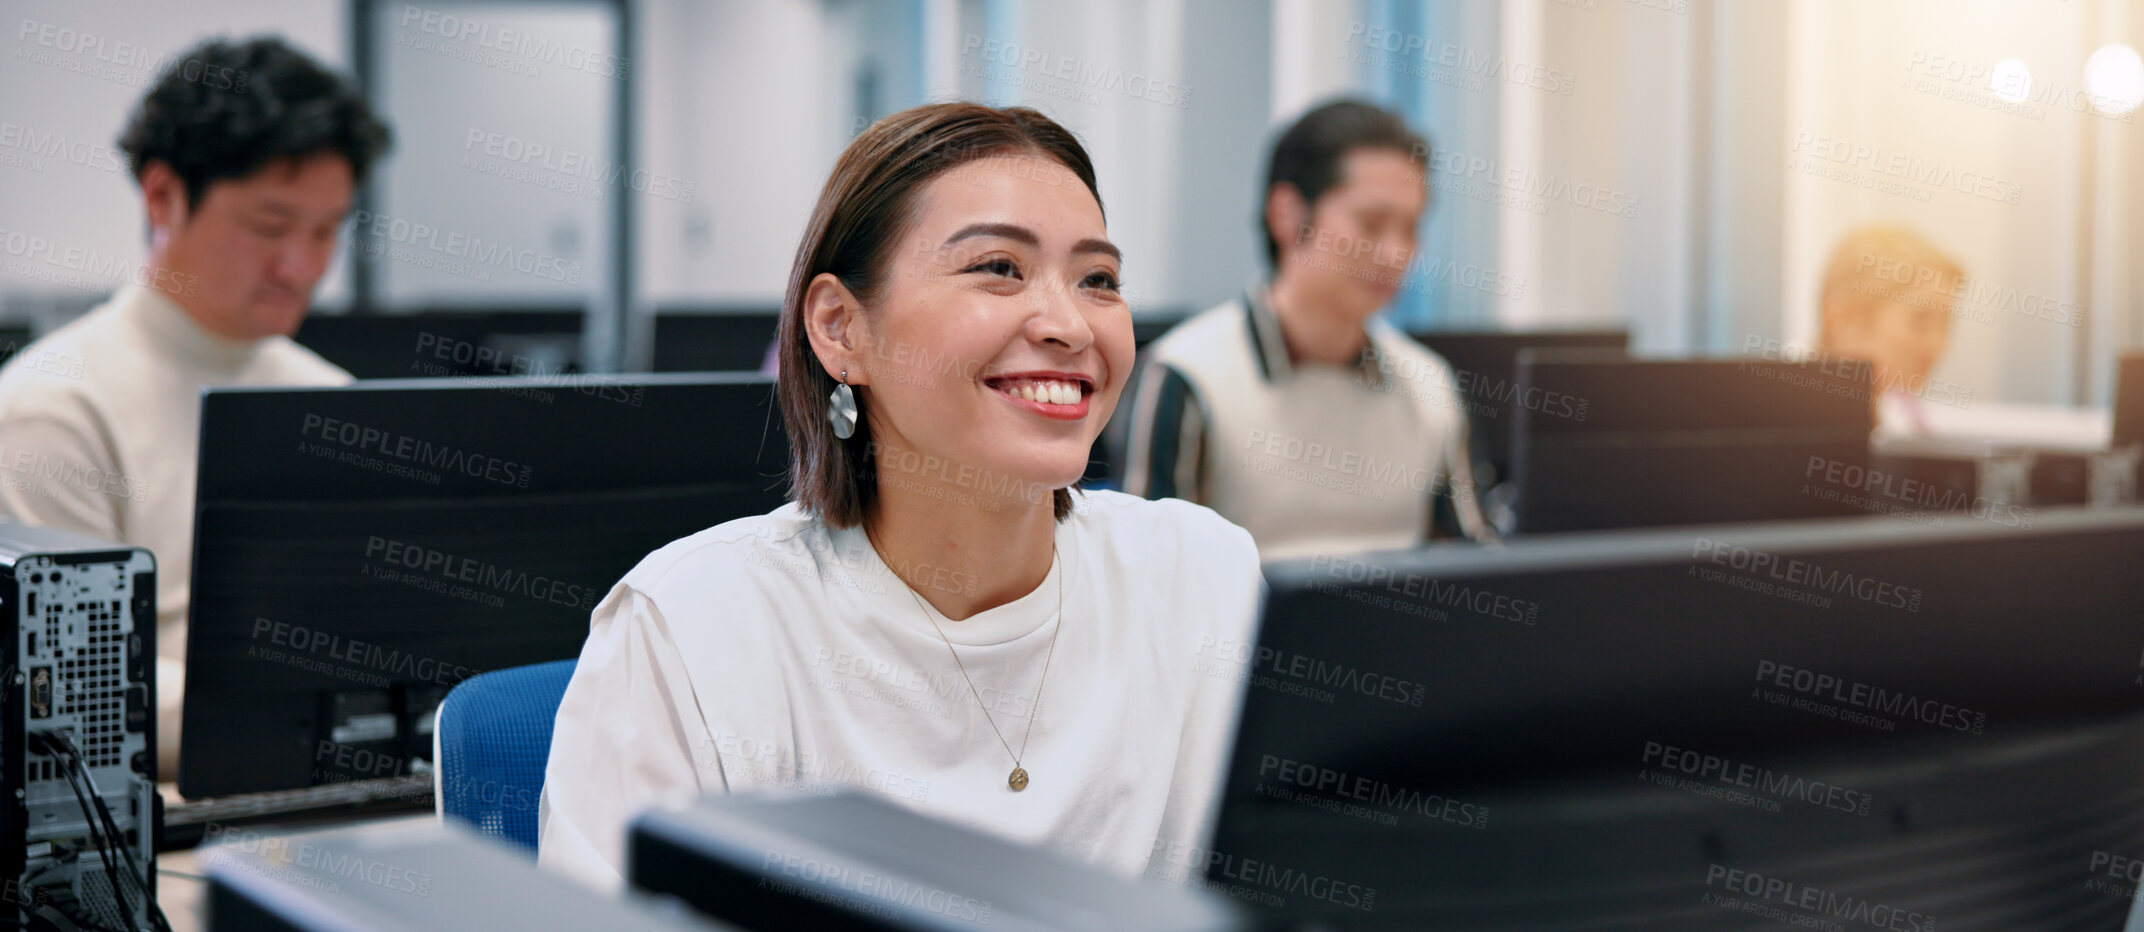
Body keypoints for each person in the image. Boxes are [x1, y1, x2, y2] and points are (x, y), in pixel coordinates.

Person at [537, 103, 1264, 892]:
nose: (1067, 324)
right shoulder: (694, 628)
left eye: (1099, 280)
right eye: (998, 268)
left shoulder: (1202, 577)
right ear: (841, 328)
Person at [0, 36, 391, 778]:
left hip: (332, 795)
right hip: (168, 823)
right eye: (271, 226)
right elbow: (74, 693)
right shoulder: (52, 409)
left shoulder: (331, 399)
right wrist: (316, 715)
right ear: (162, 196)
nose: (302, 266)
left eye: (326, 230)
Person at [1120, 99, 1488, 559]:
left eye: (1411, 228)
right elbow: (1152, 577)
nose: (1397, 253)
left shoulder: (1429, 381)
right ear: (1289, 216)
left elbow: (1477, 560)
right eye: (1371, 224)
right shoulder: (1188, 373)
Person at [1814, 225, 1966, 434]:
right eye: (1920, 320)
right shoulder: (1786, 431)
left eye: (1946, 323)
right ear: (1842, 321)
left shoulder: (1903, 425)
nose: (1937, 344)